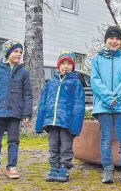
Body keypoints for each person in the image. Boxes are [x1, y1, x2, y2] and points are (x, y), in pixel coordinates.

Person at [91, 26, 121, 187]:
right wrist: (109, 98)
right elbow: (95, 81)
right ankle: (107, 170)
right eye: (111, 38)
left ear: (120, 41)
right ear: (106, 40)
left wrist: (115, 97)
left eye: (117, 38)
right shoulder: (96, 60)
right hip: (103, 106)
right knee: (106, 140)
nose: (114, 41)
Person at [0, 39, 33, 179]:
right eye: (16, 51)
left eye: (21, 52)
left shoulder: (23, 73)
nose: (19, 54)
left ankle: (11, 167)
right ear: (8, 52)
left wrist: (27, 113)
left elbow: (28, 94)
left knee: (13, 141)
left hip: (15, 113)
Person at [36, 51, 86, 182]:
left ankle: (64, 167)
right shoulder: (50, 83)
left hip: (66, 123)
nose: (65, 66)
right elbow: (43, 103)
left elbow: (79, 106)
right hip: (51, 121)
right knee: (53, 145)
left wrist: (76, 126)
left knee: (65, 146)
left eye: (69, 63)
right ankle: (54, 167)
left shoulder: (75, 83)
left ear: (73, 66)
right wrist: (39, 123)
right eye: (63, 63)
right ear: (58, 66)